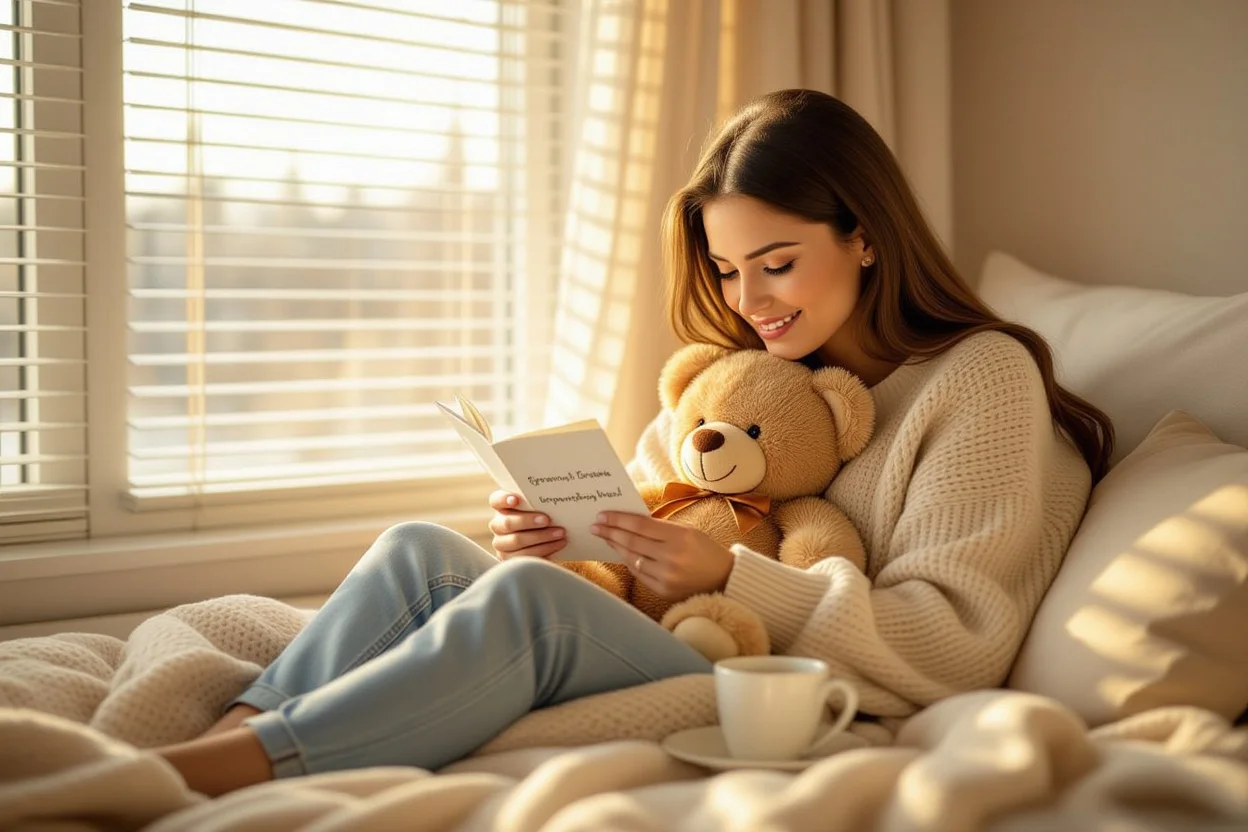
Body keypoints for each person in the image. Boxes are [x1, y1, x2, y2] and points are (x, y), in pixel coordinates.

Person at [157, 89, 1113, 796]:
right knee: (421, 550)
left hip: (799, 685)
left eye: (778, 264)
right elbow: (642, 521)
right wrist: (554, 537)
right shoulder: (747, 375)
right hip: (673, 633)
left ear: (864, 236)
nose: (749, 300)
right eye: (728, 269)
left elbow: (954, 643)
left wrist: (730, 577)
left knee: (532, 609)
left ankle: (213, 777)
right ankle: (227, 739)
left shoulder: (977, 377)